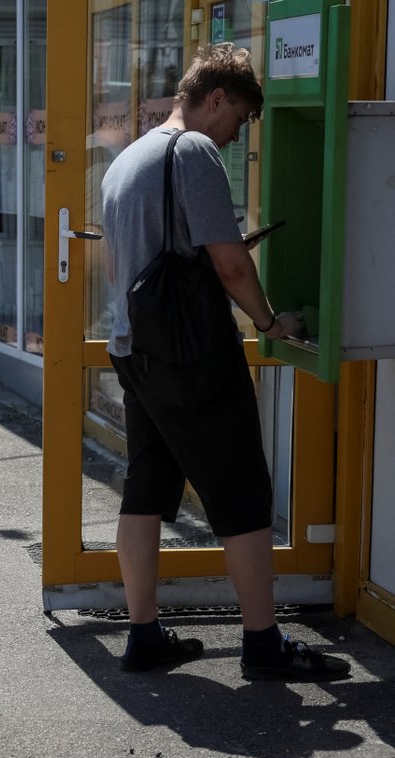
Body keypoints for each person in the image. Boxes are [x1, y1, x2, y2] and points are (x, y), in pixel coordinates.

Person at [101, 43, 350, 681]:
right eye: (237, 119)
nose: (236, 136)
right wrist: (271, 322)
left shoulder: (129, 156)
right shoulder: (193, 152)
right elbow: (229, 263)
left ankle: (143, 633)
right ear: (214, 98)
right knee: (242, 493)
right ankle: (264, 645)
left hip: (136, 349)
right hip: (191, 354)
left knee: (145, 489)